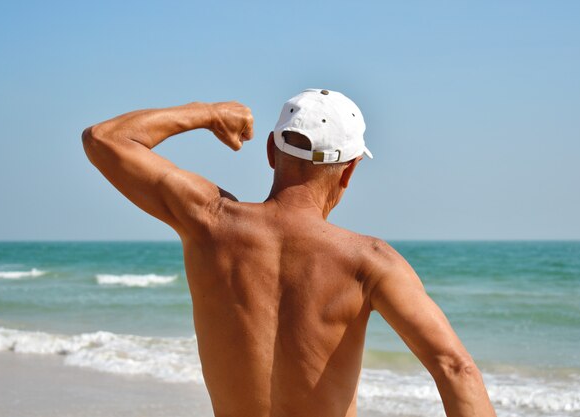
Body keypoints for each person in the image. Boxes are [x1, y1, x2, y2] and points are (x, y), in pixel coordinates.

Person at [82, 89, 496, 417]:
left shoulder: (210, 221)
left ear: (270, 152)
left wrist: (207, 112)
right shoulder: (369, 263)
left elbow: (106, 138)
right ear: (349, 171)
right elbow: (455, 369)